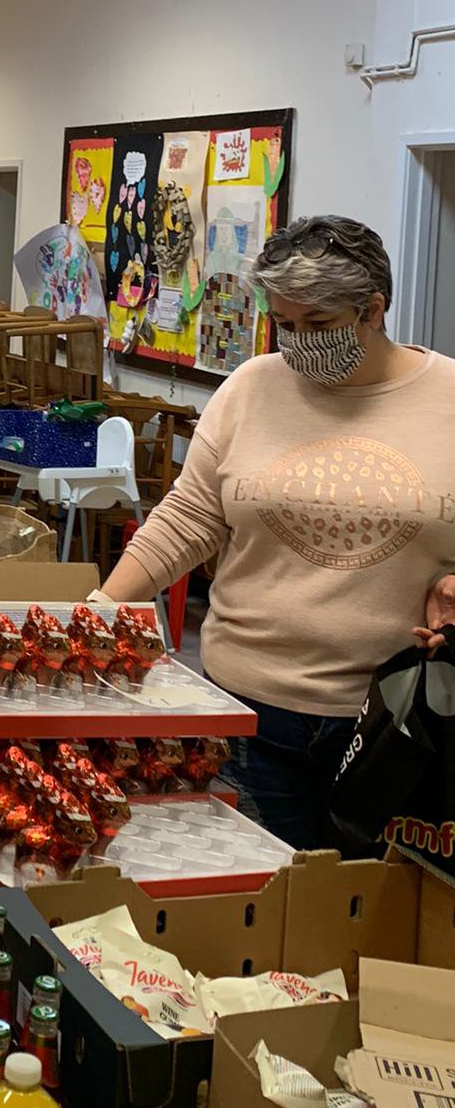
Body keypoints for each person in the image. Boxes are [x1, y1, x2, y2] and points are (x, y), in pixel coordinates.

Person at [100, 213, 455, 850]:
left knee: (368, 919)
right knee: (261, 910)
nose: (299, 344)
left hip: (393, 727)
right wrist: (101, 606)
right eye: (284, 325)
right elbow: (189, 517)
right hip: (248, 713)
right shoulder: (250, 389)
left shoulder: (449, 400)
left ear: (373, 310)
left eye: (318, 325)